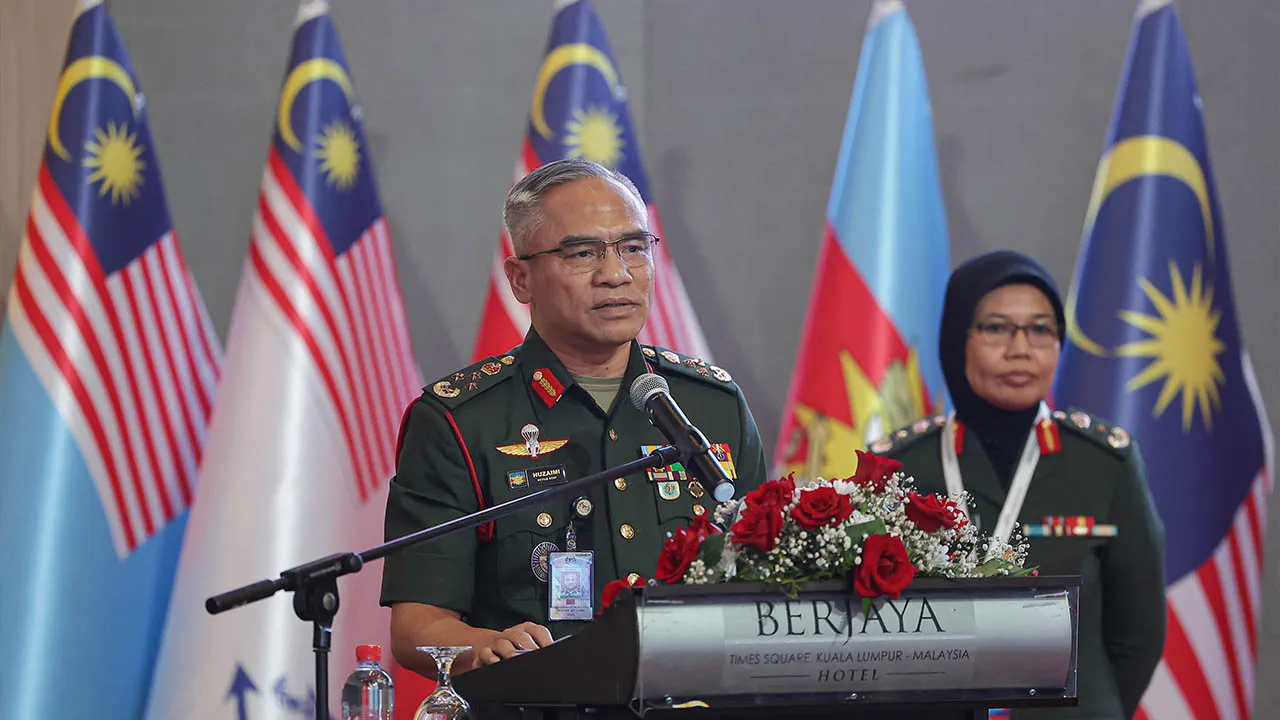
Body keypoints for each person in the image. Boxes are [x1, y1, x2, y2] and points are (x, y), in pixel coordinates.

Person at [380, 158, 768, 681]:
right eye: (584, 253)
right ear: (520, 279)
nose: (617, 274)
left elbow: (766, 580)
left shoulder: (711, 406)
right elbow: (418, 626)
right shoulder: (459, 421)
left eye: (634, 248)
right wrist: (489, 648)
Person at [872, 249, 1166, 720]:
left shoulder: (1104, 461)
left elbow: (1138, 635)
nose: (1021, 348)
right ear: (955, 339)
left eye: (1041, 329)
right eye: (996, 328)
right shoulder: (898, 465)